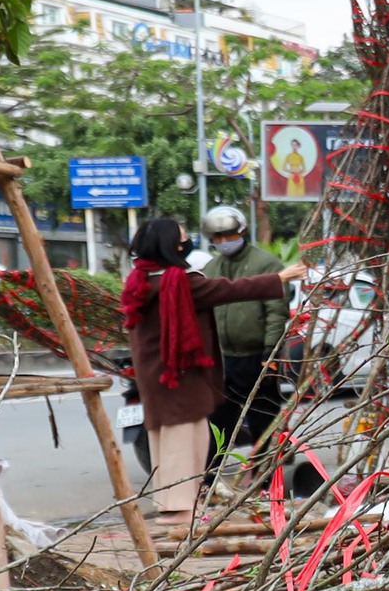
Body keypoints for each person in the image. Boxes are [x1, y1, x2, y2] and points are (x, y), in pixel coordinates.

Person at [121, 214, 304, 521]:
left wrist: (270, 350)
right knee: (186, 438)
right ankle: (181, 506)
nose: (185, 242)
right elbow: (228, 290)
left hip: (153, 371)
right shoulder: (178, 281)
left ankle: (170, 501)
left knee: (164, 437)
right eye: (180, 239)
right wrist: (280, 278)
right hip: (180, 372)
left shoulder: (139, 278)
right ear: (170, 246)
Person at [199, 205, 289, 461]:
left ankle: (264, 478)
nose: (224, 242)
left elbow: (275, 311)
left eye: (229, 235)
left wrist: (270, 352)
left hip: (256, 356)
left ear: (242, 231)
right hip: (223, 359)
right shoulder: (211, 268)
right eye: (218, 238)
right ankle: (210, 478)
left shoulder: (266, 263)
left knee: (263, 419)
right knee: (219, 421)